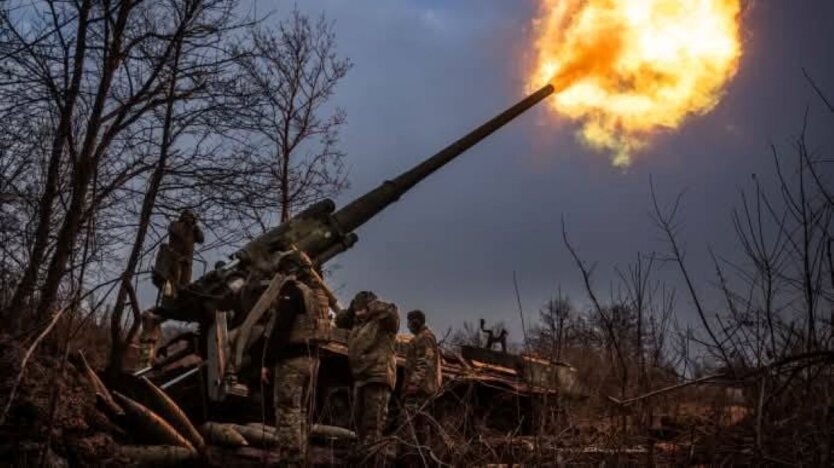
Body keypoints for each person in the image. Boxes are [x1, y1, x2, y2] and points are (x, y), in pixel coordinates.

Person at [335, 291, 399, 456]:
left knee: (373, 423)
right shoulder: (358, 323)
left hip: (377, 376)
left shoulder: (383, 322)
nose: (358, 311)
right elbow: (340, 321)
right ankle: (362, 455)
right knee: (358, 421)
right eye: (357, 307)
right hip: (361, 377)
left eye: (361, 307)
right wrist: (352, 308)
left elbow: (393, 314)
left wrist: (372, 305)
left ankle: (372, 458)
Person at [400, 310, 441, 454]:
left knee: (409, 425)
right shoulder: (423, 337)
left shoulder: (424, 338)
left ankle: (412, 456)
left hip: (419, 391)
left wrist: (414, 384)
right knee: (421, 425)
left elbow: (424, 362)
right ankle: (422, 455)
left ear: (416, 322)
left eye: (409, 321)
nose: (408, 325)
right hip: (421, 389)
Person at [167, 209, 204, 288]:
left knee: (184, 285)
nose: (190, 219)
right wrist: (184, 224)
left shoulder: (193, 229)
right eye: (189, 216)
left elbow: (201, 240)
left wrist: (195, 227)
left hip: (186, 261)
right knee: (172, 284)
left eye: (191, 217)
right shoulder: (175, 224)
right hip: (174, 259)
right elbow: (177, 232)